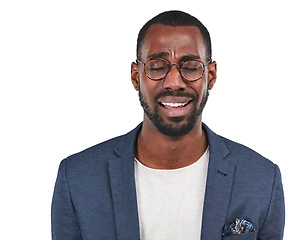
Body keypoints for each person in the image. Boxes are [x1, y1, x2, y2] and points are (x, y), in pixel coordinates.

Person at [51, 10, 285, 240]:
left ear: (211, 75)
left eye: (191, 66)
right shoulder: (77, 178)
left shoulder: (261, 179)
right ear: (136, 76)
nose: (174, 82)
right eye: (157, 66)